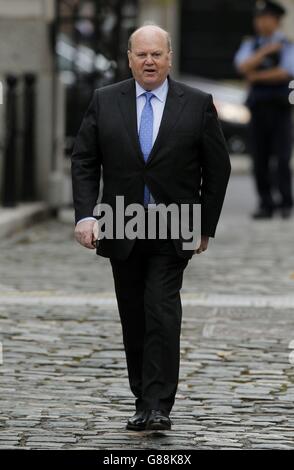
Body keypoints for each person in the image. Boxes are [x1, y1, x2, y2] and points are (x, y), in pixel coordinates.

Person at [71, 24, 231, 432]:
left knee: (161, 310)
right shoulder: (105, 101)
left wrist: (204, 225)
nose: (149, 61)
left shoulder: (196, 104)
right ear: (129, 58)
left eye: (156, 54)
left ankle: (159, 404)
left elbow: (218, 168)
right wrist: (87, 214)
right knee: (134, 315)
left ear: (169, 57)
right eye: (141, 54)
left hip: (172, 225)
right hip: (121, 223)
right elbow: (85, 159)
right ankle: (143, 397)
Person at [235, 0, 294, 219]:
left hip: (280, 110)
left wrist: (256, 76)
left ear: (276, 20)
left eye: (265, 18)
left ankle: (285, 202)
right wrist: (265, 52)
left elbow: (286, 71)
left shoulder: (288, 45)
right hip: (258, 110)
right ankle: (265, 203)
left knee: (282, 158)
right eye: (258, 18)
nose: (260, 22)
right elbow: (241, 65)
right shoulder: (252, 45)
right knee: (259, 159)